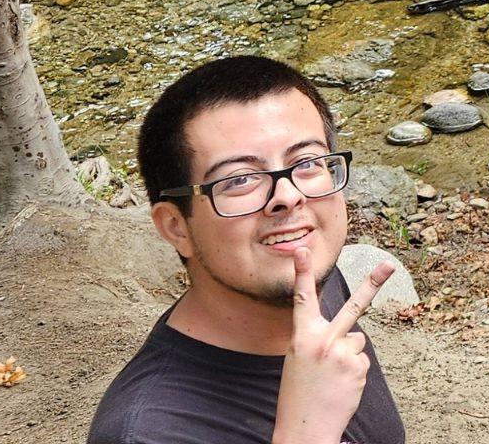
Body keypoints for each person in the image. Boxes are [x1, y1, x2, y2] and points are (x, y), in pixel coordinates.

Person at [90, 56, 403, 443]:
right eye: (239, 180)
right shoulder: (150, 433)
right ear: (176, 226)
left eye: (306, 162)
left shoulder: (311, 284)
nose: (288, 196)